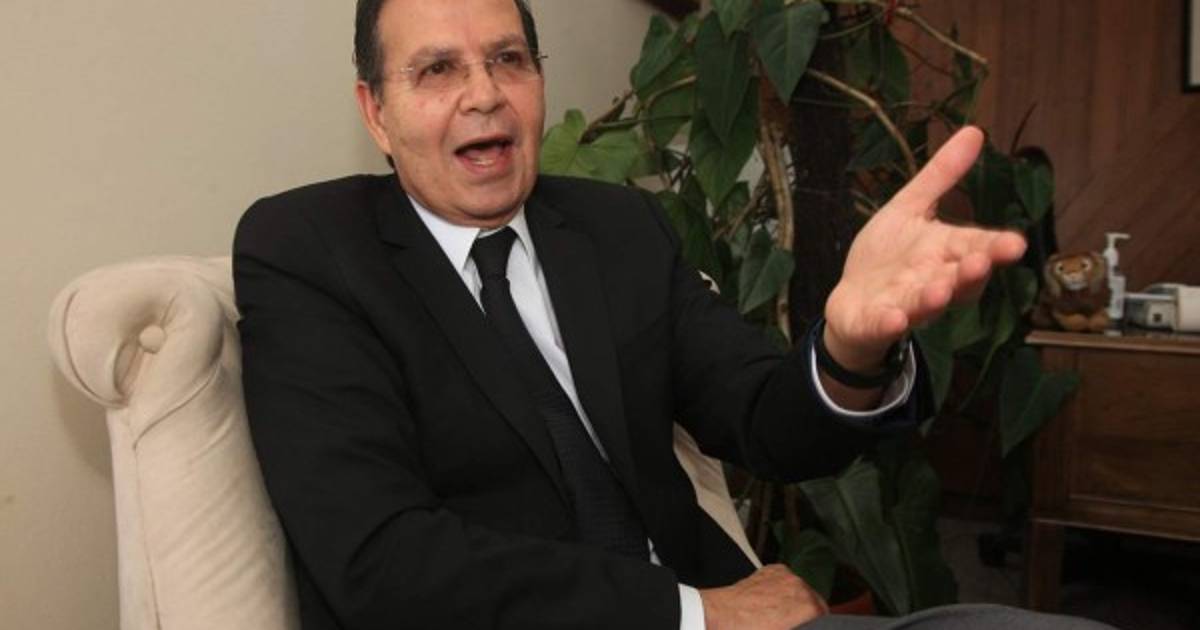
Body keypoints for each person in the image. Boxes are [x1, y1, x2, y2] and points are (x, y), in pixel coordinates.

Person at [232, 1, 1113, 629]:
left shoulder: (615, 228)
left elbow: (763, 419)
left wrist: (849, 349)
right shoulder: (310, 251)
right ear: (375, 112)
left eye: (509, 59)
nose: (485, 94)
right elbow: (382, 561)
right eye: (437, 69)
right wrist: (696, 613)